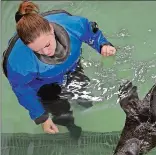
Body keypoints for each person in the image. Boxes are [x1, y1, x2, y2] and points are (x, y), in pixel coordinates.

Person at [1, 1, 117, 139]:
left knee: (85, 99)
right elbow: (22, 90)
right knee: (61, 112)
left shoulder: (72, 26)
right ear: (27, 46)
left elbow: (90, 31)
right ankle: (70, 126)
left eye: (47, 44)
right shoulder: (19, 64)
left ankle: (83, 105)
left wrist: (102, 45)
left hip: (71, 69)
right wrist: (42, 118)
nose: (46, 52)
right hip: (43, 85)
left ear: (51, 29)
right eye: (38, 50)